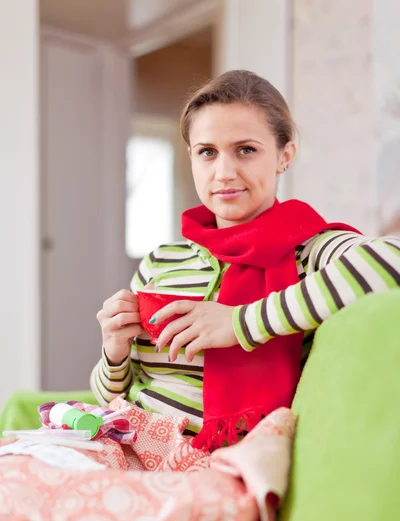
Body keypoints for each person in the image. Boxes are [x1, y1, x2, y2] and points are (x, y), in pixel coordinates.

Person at [91, 70, 400, 451]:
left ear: (284, 156)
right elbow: (110, 399)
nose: (224, 173)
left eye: (246, 150)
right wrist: (113, 352)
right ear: (192, 157)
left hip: (209, 462)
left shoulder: (310, 252)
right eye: (207, 152)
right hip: (122, 443)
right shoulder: (161, 261)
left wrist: (239, 323)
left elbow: (393, 259)